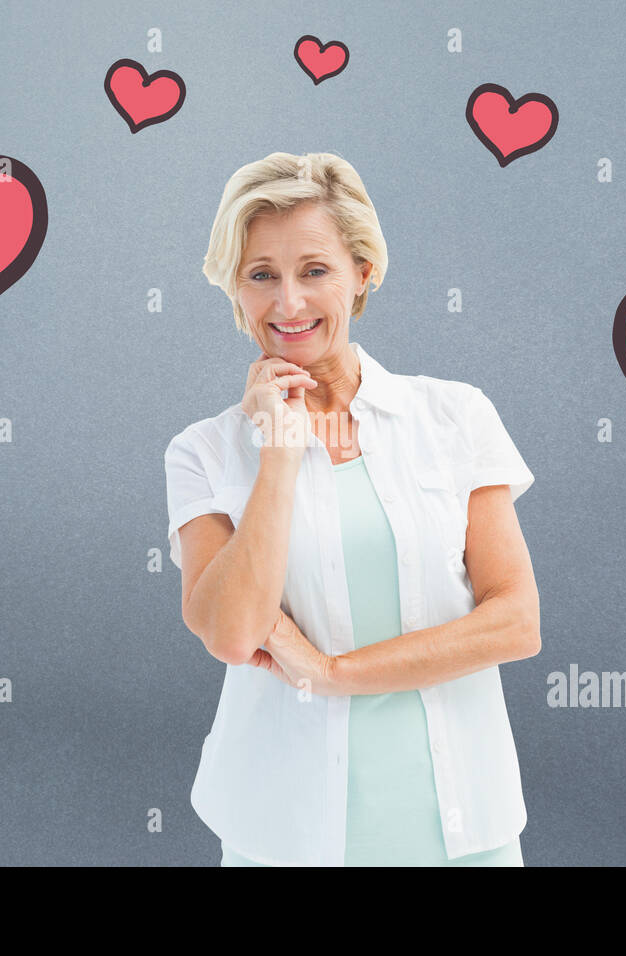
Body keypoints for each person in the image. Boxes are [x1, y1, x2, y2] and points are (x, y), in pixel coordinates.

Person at [164, 151, 541, 866]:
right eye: (261, 276)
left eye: (314, 271)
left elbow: (516, 622)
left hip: (464, 832)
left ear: (362, 273)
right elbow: (233, 634)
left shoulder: (455, 416)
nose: (288, 303)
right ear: (236, 291)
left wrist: (332, 674)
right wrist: (279, 448)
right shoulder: (204, 452)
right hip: (284, 837)